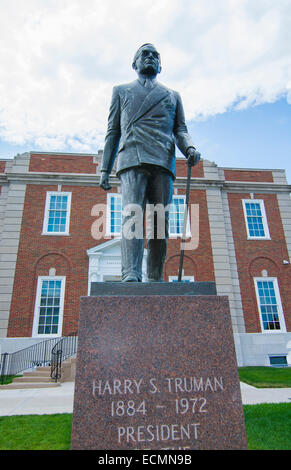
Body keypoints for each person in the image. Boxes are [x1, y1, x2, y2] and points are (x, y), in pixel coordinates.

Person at [100, 43, 200, 282]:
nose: (150, 57)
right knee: (132, 217)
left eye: (155, 55)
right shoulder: (121, 91)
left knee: (159, 222)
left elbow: (180, 129)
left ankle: (155, 277)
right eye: (145, 54)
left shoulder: (172, 96)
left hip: (163, 160)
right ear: (134, 64)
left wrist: (189, 148)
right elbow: (113, 131)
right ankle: (131, 274)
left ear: (160, 66)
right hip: (131, 157)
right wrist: (105, 168)